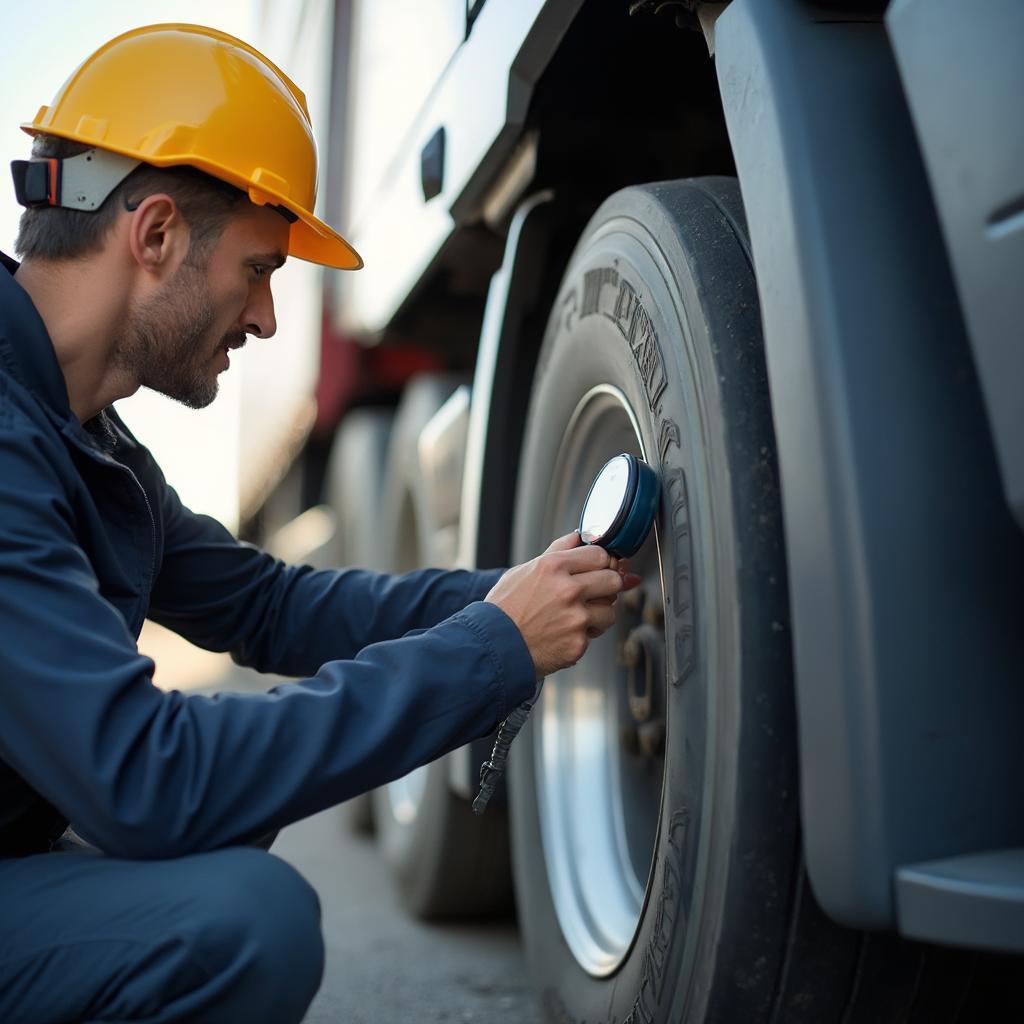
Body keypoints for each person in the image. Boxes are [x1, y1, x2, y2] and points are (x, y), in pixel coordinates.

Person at [0, 24, 639, 1024]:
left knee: (226, 837)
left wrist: (526, 594)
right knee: (241, 918)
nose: (264, 320)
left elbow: (275, 605)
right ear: (155, 233)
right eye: (258, 269)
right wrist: (491, 652)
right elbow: (145, 776)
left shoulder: (86, 441)